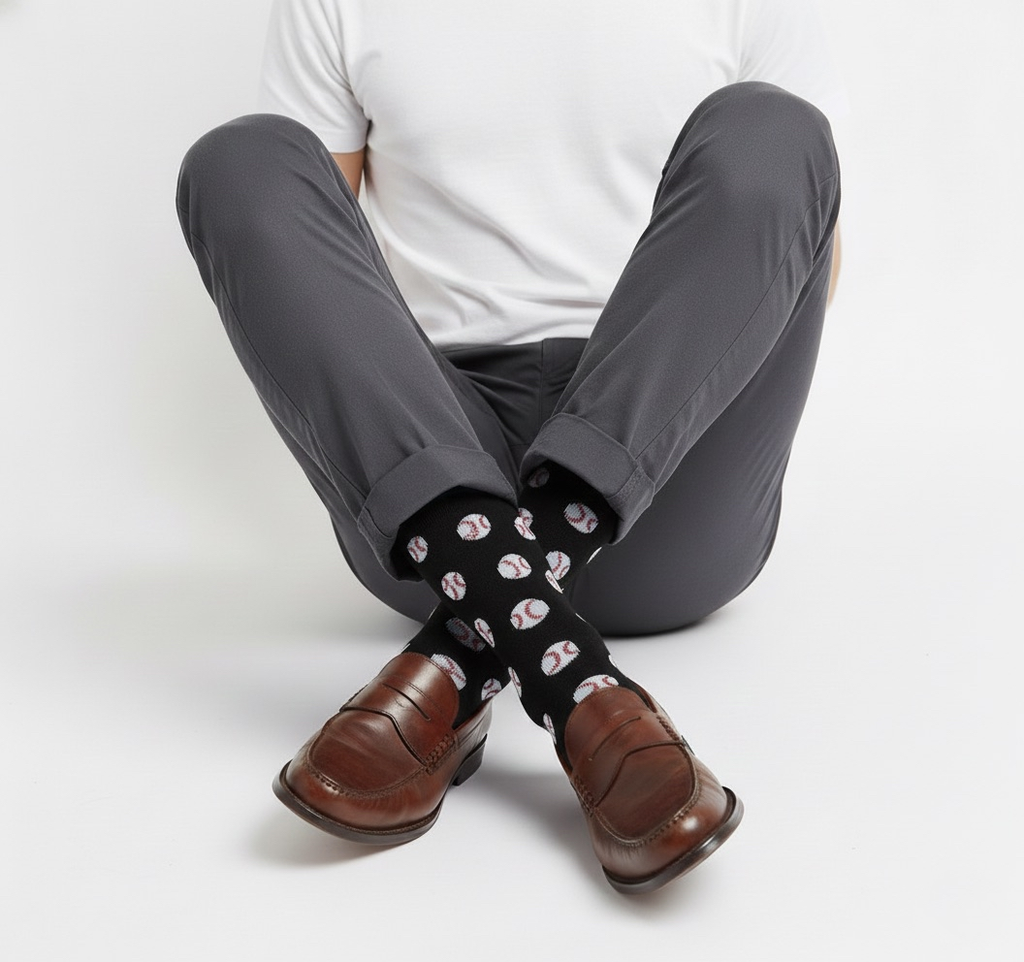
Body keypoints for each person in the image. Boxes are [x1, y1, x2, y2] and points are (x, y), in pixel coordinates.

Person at [175, 0, 845, 894]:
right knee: (243, 159)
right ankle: (577, 688)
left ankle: (461, 648)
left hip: (673, 481)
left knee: (777, 132)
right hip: (430, 468)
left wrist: (637, 393)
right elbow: (318, 268)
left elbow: (796, 257)